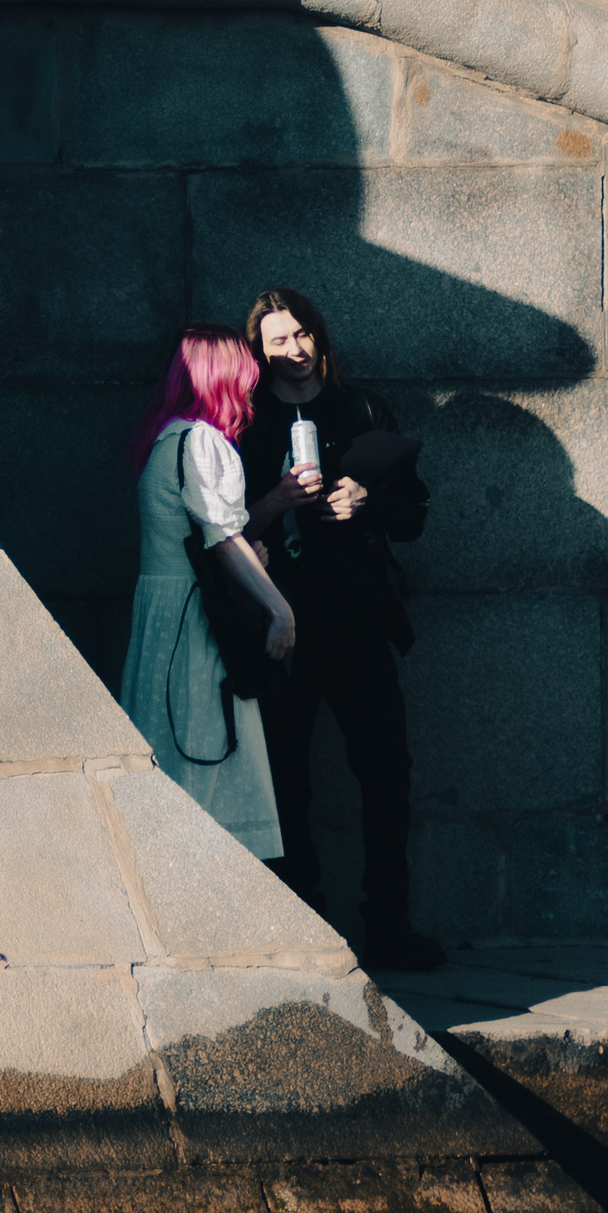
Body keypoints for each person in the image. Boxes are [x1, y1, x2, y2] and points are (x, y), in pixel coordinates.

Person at [235, 287, 444, 972]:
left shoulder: (361, 409)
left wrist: (366, 502)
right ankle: (306, 926)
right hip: (284, 627)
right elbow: (221, 533)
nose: (293, 352)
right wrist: (277, 502)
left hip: (359, 621)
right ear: (258, 353)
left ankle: (389, 925)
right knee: (286, 780)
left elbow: (414, 517)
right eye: (277, 343)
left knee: (387, 773)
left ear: (319, 337)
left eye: (301, 336)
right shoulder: (249, 420)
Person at [118, 325, 295, 860]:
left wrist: (245, 553)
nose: (250, 390)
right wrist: (280, 610)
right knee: (206, 758)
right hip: (197, 627)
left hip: (166, 620)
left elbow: (207, 535)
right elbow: (219, 536)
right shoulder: (203, 440)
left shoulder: (166, 436)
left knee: (171, 758)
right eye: (244, 377)